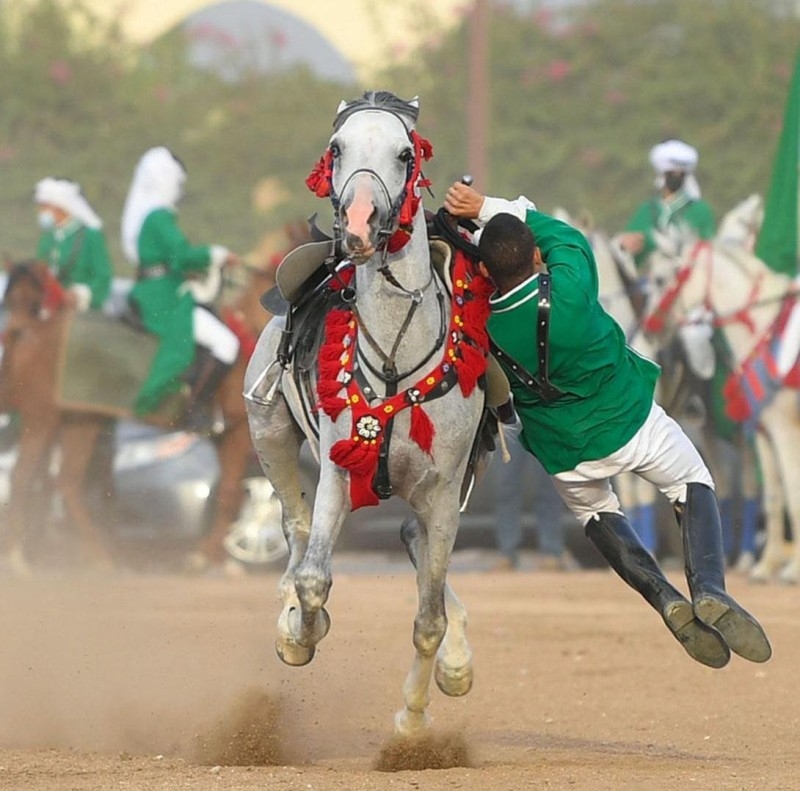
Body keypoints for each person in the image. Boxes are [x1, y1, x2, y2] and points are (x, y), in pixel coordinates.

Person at [444, 180, 771, 670]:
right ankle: (708, 587)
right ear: (536, 258)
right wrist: (484, 206)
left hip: (565, 451)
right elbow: (560, 234)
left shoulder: (482, 325)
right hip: (632, 422)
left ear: (488, 271)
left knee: (597, 515)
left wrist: (459, 238)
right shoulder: (571, 283)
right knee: (694, 482)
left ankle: (664, 598)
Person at [121, 146, 240, 424]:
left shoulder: (149, 217)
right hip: (164, 297)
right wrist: (217, 254)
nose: (179, 190)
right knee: (227, 343)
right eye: (177, 183)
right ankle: (195, 410)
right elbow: (181, 255)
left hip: (154, 290)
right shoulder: (158, 218)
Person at [616, 139, 715, 270]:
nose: (677, 176)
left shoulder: (700, 210)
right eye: (672, 173)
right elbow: (627, 253)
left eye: (681, 173)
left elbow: (708, 253)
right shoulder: (647, 210)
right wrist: (625, 245)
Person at [493, 430, 579, 571]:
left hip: (542, 421)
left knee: (549, 488)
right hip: (511, 422)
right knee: (506, 489)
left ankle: (551, 552)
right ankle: (506, 554)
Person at [34, 177, 112, 311]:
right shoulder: (48, 237)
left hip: (83, 311)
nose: (41, 211)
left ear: (61, 206)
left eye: (45, 206)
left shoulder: (89, 235)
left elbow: (103, 276)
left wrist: (80, 294)